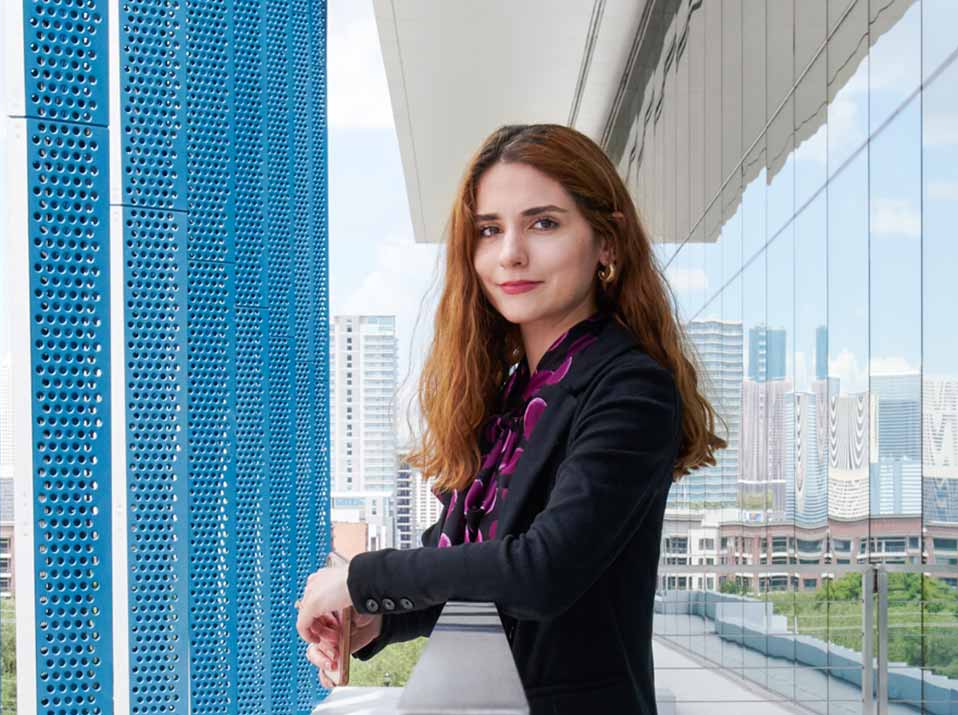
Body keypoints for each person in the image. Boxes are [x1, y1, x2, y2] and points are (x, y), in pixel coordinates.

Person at [294, 123, 726, 713]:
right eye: (489, 230)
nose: (510, 253)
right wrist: (377, 620)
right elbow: (475, 573)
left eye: (543, 223)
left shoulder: (629, 388)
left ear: (607, 242)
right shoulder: (509, 397)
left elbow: (542, 571)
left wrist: (363, 579)